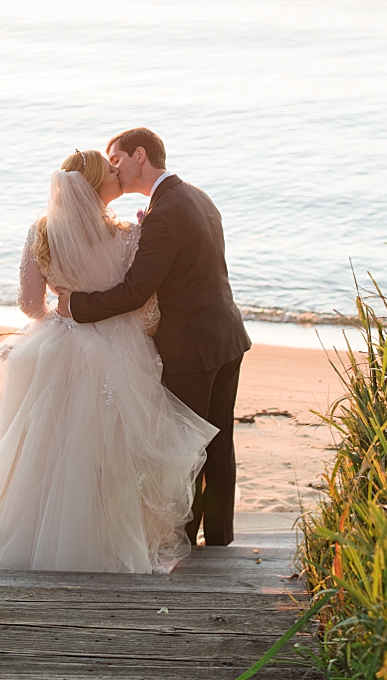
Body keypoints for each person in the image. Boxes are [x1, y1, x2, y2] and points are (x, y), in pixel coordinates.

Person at [0, 149, 218, 573]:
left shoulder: (41, 230)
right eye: (110, 172)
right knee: (112, 459)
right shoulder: (126, 234)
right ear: (94, 187)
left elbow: (30, 305)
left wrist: (62, 316)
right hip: (116, 356)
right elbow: (146, 313)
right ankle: (104, 542)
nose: (118, 175)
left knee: (39, 451)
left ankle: (30, 539)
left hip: (52, 350)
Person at [55, 127, 251, 547]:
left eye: (116, 161)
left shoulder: (165, 214)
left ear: (139, 155)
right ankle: (218, 540)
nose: (114, 171)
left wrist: (76, 306)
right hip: (227, 336)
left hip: (193, 348)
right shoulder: (197, 196)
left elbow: (134, 293)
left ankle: (183, 538)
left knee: (187, 445)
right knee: (218, 440)